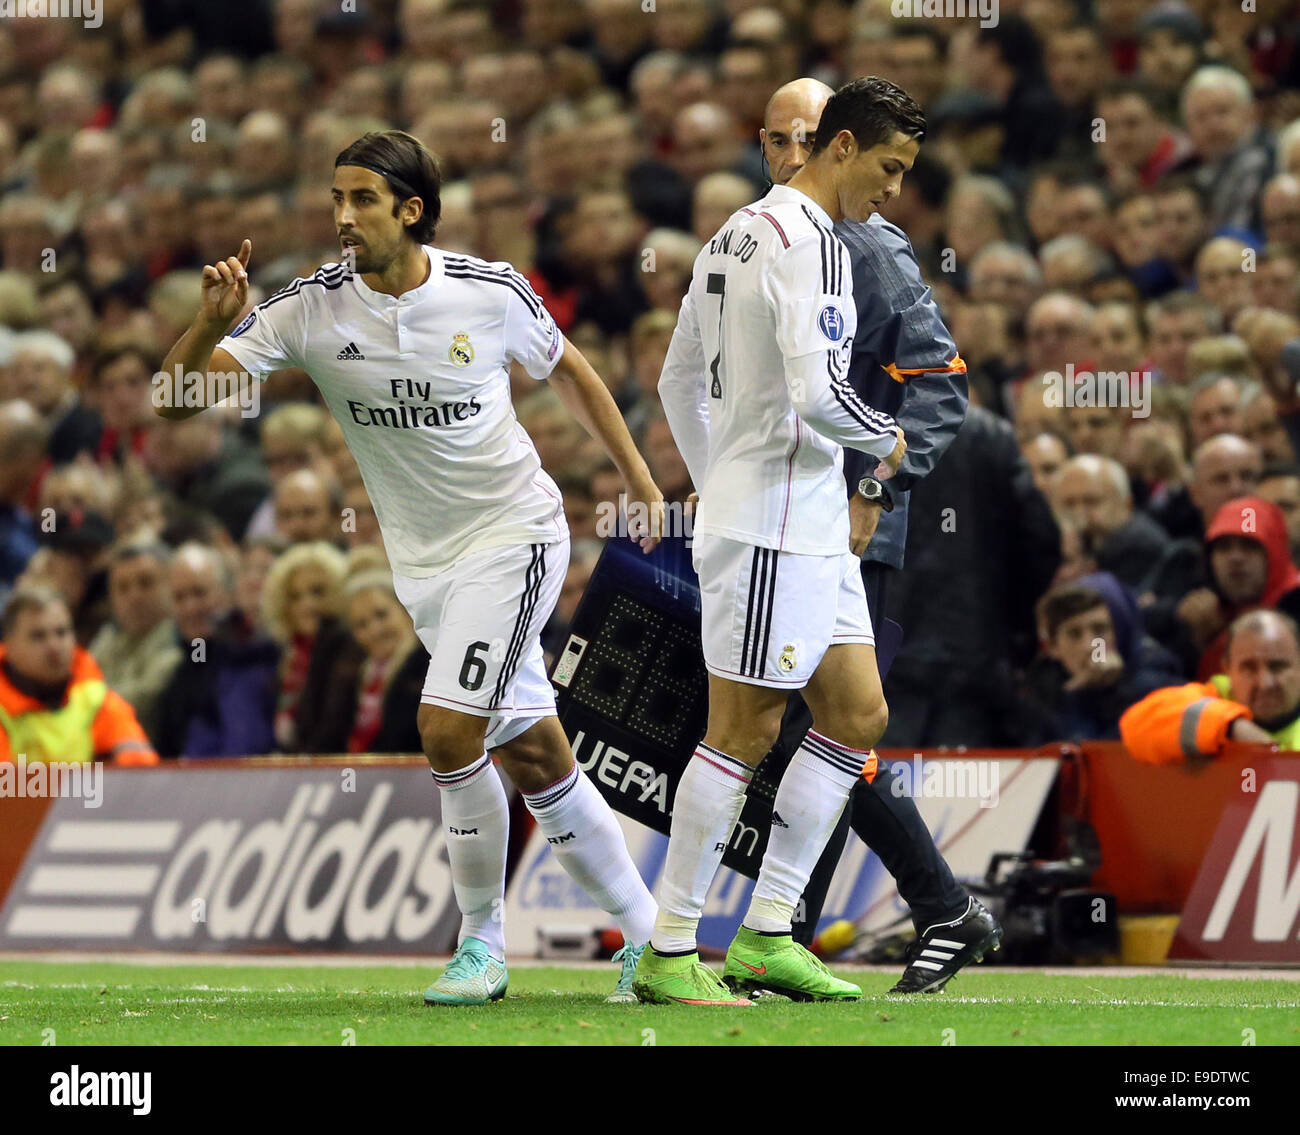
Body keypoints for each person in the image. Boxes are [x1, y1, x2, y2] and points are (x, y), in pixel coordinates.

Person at [157, 129, 662, 1006]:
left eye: (361, 199)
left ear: (411, 209)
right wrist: (208, 325)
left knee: (447, 729)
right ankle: (654, 941)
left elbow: (571, 373)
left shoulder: (489, 290)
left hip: (515, 535)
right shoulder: (312, 308)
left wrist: (640, 480)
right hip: (424, 568)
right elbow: (174, 402)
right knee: (537, 752)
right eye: (335, 199)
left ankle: (481, 945)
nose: (342, 217)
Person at [648, 77, 918, 1007]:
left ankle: (767, 932)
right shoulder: (812, 246)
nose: (893, 190)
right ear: (839, 148)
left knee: (855, 715)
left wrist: (716, 466)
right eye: (888, 167)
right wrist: (886, 438)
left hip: (801, 521)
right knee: (746, 729)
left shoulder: (732, 234)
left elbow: (677, 379)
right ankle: (672, 944)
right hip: (771, 524)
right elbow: (815, 395)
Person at [753, 77, 999, 995]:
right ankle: (799, 937)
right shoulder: (766, 237)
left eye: (805, 138)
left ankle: (937, 905)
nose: (789, 155)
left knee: (818, 733)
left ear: (836, 144)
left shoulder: (868, 245)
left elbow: (941, 379)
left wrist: (873, 482)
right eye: (776, 139)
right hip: (772, 519)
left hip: (849, 529)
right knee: (802, 738)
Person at [0, 585, 157, 765]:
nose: (54, 647)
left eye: (61, 632)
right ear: (9, 646)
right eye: (38, 636)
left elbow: (141, 770)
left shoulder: (94, 698)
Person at [1120, 608, 1299, 760]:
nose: (1265, 683)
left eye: (1278, 667)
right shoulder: (1213, 698)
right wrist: (1230, 726)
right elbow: (1135, 726)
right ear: (1227, 669)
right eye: (1249, 668)